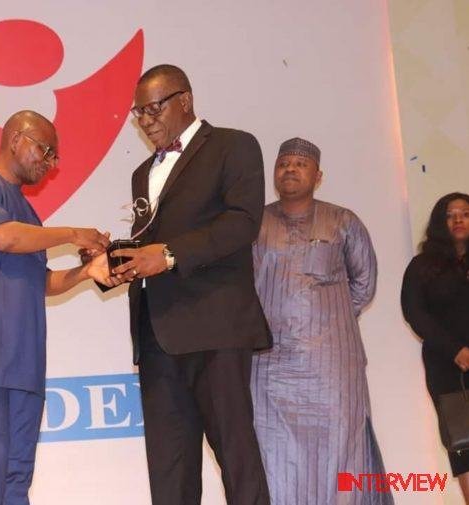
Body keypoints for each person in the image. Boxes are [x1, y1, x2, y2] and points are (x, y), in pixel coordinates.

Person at [109, 64, 272, 505]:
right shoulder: (142, 172)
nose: (145, 121)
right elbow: (152, 240)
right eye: (137, 113)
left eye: (152, 108)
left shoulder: (234, 146)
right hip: (157, 334)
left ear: (185, 100)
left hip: (215, 328)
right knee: (169, 469)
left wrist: (166, 255)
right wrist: (120, 264)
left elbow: (241, 223)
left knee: (236, 457)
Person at [0, 110, 116, 505]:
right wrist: (73, 233)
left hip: (25, 363)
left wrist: (87, 270)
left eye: (54, 157)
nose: (49, 163)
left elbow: (43, 283)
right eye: (45, 150)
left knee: (17, 482)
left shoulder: (30, 216)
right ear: (17, 138)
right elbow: (3, 238)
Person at [250, 137, 392, 504]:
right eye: (283, 164)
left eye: (300, 164)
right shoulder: (255, 223)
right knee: (274, 454)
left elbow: (365, 282)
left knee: (341, 446)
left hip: (332, 366)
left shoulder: (343, 221)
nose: (290, 170)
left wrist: (329, 322)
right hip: (271, 365)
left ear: (318, 176)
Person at [401, 192, 469, 502]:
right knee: (464, 441)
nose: (458, 219)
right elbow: (414, 312)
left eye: (466, 213)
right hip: (447, 368)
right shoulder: (422, 266)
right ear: (439, 223)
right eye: (450, 214)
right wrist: (455, 350)